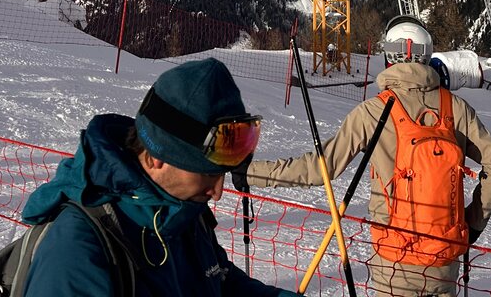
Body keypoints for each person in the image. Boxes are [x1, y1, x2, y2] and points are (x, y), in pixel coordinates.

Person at [247, 16, 491, 297]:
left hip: (393, 264)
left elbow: (317, 169)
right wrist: (471, 225)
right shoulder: (456, 108)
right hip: (444, 260)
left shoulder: (372, 112)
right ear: (427, 55)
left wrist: (248, 171)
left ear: (388, 57)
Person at [21, 58, 294, 297]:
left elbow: (220, 283)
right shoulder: (76, 254)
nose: (218, 191)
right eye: (208, 174)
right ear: (157, 156)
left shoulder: (183, 211)